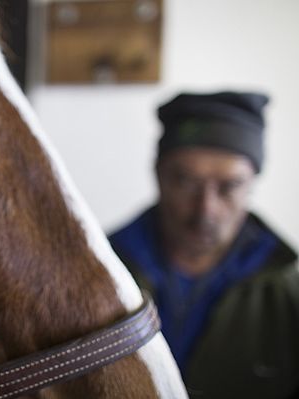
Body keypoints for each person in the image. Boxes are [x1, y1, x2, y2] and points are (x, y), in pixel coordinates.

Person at [108, 91, 299, 399]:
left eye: (229, 187)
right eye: (186, 182)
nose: (205, 210)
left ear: (252, 184)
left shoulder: (288, 296)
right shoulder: (100, 272)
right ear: (159, 175)